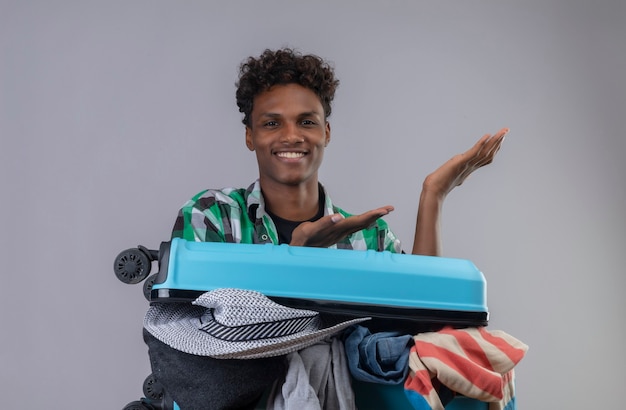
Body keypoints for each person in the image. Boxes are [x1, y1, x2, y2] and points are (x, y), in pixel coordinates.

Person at [145, 47, 508, 409]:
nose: (292, 136)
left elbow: (423, 328)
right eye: (272, 123)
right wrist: (295, 258)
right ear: (250, 136)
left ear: (326, 132)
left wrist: (434, 195)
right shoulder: (213, 215)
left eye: (307, 121)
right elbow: (187, 336)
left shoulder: (369, 237)